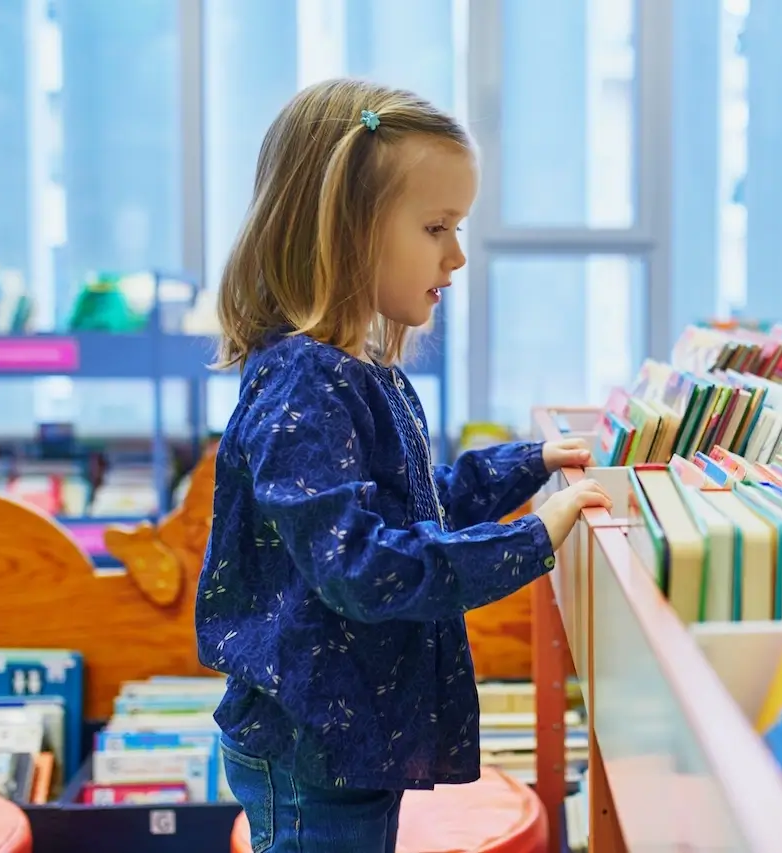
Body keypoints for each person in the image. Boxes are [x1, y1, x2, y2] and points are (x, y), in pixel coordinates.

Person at [195, 78, 612, 853]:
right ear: (345, 231)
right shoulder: (304, 385)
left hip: (344, 741)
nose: (456, 255)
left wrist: (529, 465)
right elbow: (361, 565)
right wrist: (533, 539)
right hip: (310, 752)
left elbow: (419, 508)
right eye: (435, 226)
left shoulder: (357, 371)